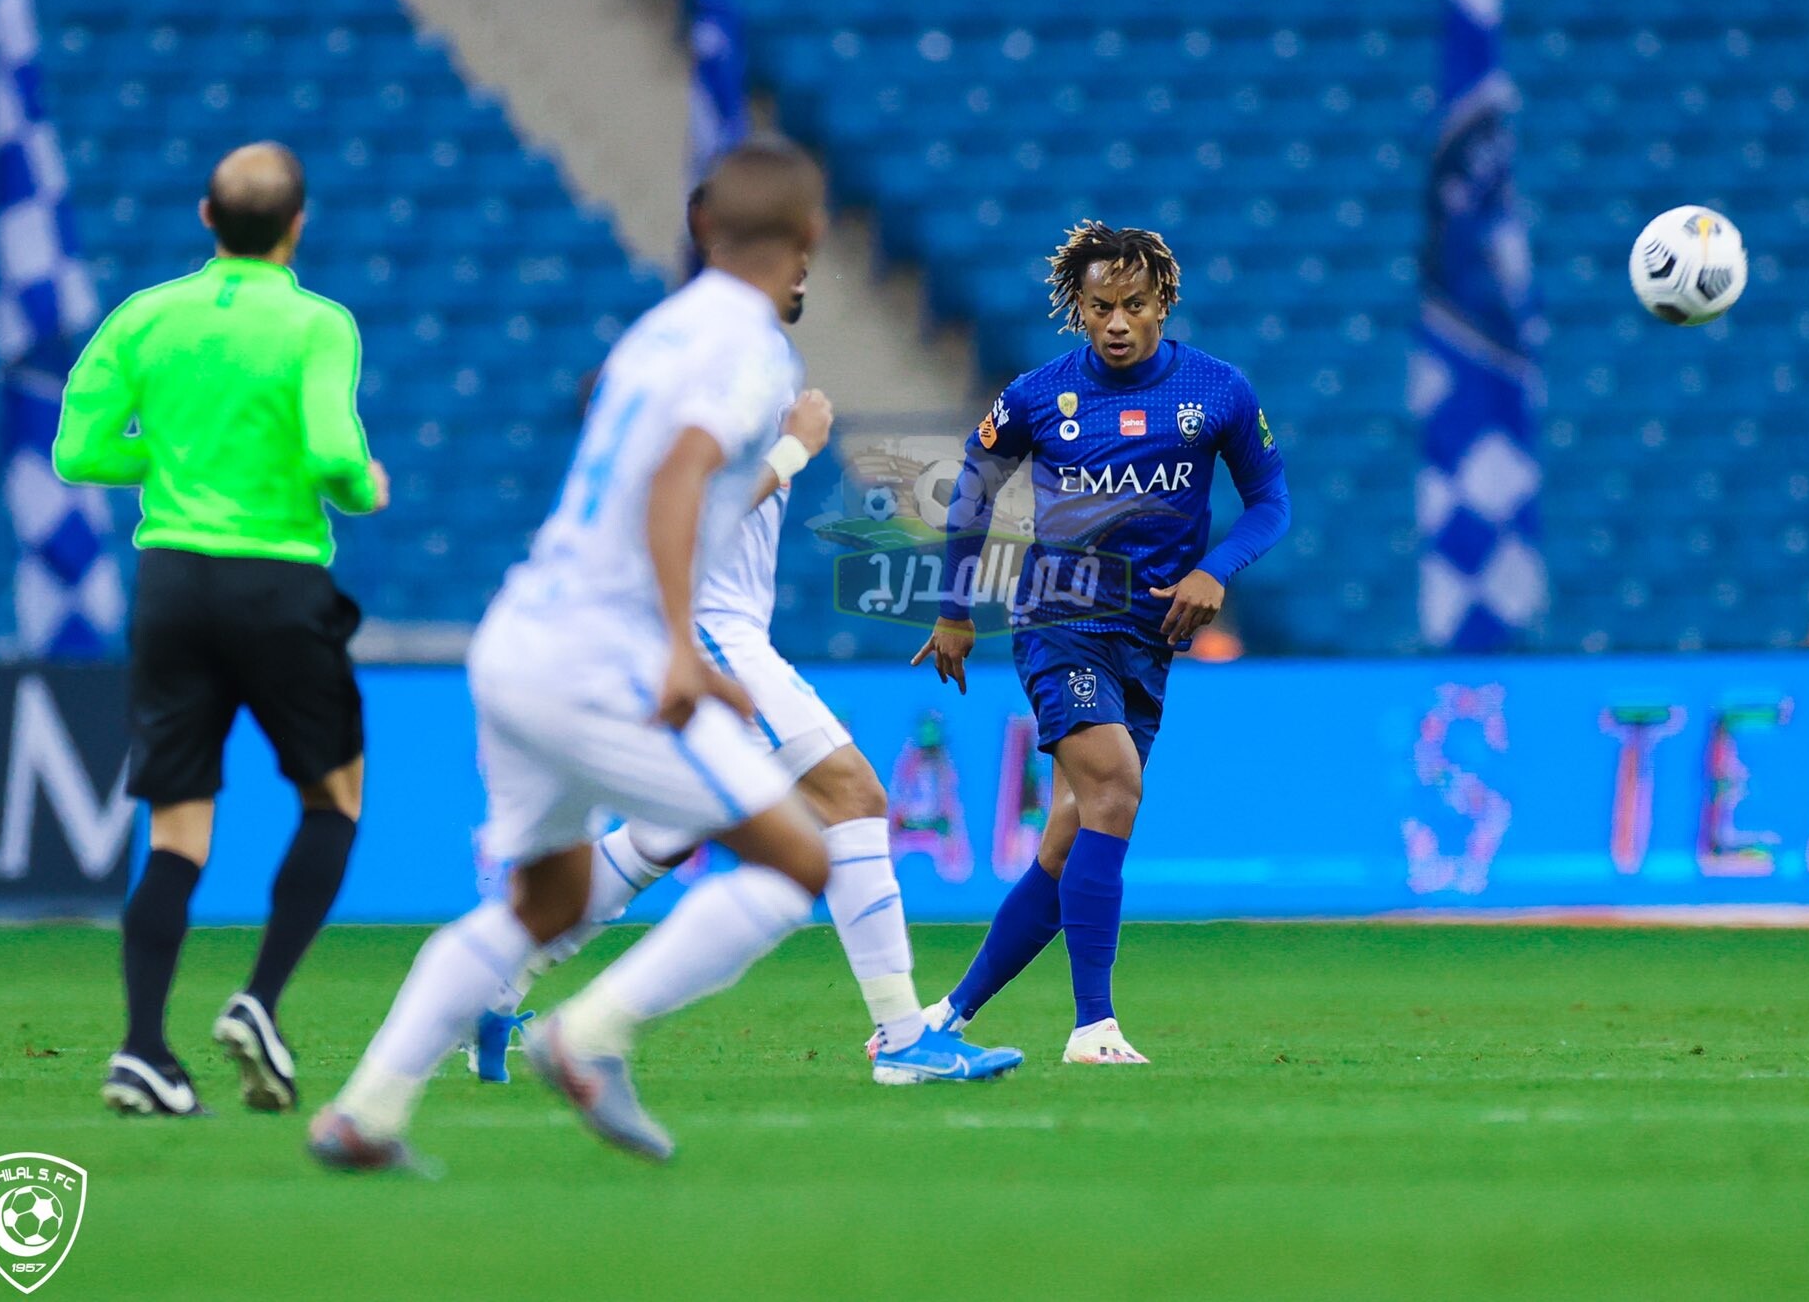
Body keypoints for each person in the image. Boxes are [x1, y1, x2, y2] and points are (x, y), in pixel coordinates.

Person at [309, 138, 845, 1170]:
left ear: (701, 229)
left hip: (519, 636)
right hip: (600, 655)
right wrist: (679, 649)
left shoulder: (657, 329)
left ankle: (364, 1111)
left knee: (542, 902)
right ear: (811, 237)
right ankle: (590, 1033)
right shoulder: (749, 348)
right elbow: (679, 472)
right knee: (797, 858)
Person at [464, 190, 1021, 1087]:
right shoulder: (739, 357)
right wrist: (799, 447)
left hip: (702, 623)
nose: (807, 263)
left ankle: (492, 989)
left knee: (664, 833)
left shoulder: (689, 344)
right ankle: (903, 1036)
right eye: (794, 244)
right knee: (853, 796)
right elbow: (687, 502)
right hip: (709, 630)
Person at [53, 142, 389, 1117]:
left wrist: (169, 466)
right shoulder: (317, 323)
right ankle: (258, 1001)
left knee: (177, 825)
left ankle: (143, 1051)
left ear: (207, 216)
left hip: (170, 582)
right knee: (333, 796)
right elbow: (332, 450)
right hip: (276, 582)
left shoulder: (146, 316)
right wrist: (358, 485)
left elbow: (78, 452)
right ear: (298, 225)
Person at [910, 221, 1290, 1064]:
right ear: (1076, 311)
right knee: (1114, 791)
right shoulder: (1038, 395)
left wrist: (1217, 568)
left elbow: (1270, 500)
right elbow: (974, 490)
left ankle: (947, 1014)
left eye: (1133, 305)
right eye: (1099, 307)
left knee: (1073, 832)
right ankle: (1093, 1025)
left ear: (1164, 304)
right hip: (1058, 622)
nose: (1116, 323)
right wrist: (953, 608)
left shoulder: (1217, 392)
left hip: (1150, 639)